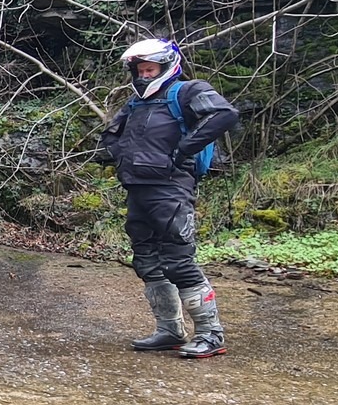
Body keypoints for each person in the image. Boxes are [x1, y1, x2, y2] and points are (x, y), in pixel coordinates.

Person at [99, 39, 240, 358]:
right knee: (146, 260)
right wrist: (117, 153)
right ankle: (169, 330)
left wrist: (184, 150)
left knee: (179, 261)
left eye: (150, 69)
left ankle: (210, 333)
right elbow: (111, 134)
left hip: (172, 190)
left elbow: (225, 115)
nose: (144, 76)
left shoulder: (188, 91)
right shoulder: (135, 103)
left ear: (166, 67)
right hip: (137, 189)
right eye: (140, 70)